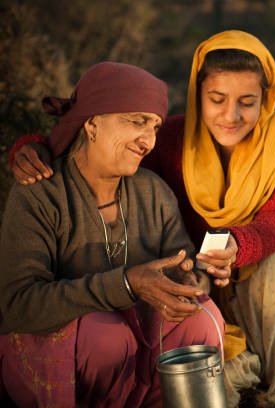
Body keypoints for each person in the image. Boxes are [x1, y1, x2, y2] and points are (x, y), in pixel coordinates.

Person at [8, 30, 275, 408]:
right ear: (196, 95)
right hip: (150, 300)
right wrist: (34, 149)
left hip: (240, 282)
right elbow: (94, 155)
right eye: (217, 99)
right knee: (127, 343)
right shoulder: (170, 139)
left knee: (272, 273)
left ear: (266, 100)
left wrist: (231, 250)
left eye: (247, 102)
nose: (231, 116)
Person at [0, 62, 227, 407]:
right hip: (54, 353)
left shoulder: (152, 191)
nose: (148, 140)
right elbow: (20, 306)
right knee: (106, 336)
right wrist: (125, 285)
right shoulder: (39, 194)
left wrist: (196, 277)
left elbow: (185, 269)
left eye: (154, 126)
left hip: (135, 346)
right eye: (137, 121)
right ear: (92, 123)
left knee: (202, 321)